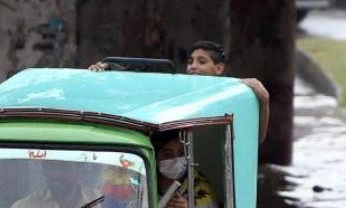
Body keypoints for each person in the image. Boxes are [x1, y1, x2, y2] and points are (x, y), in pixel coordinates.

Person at [89, 40, 271, 142]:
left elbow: (256, 140)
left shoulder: (234, 94)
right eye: (190, 62)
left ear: (218, 68)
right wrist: (105, 73)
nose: (193, 67)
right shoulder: (176, 89)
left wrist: (264, 100)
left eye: (201, 62)